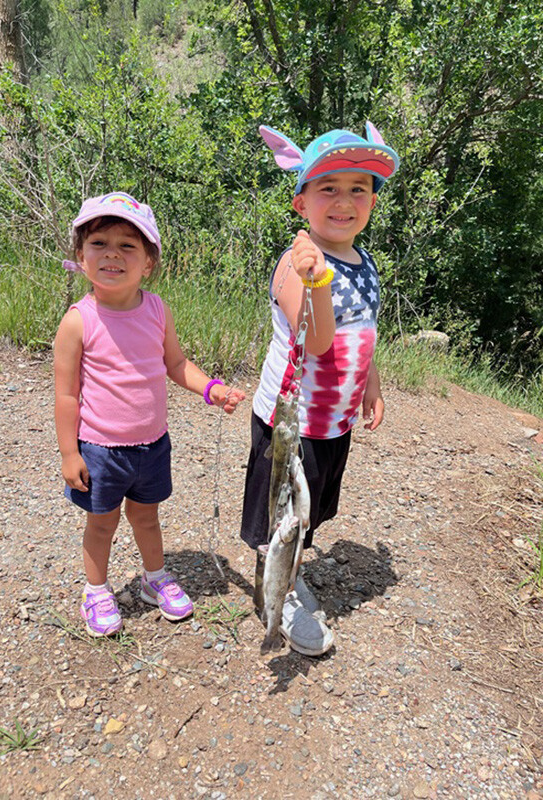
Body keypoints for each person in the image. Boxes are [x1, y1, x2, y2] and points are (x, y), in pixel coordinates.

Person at [54, 192, 245, 637]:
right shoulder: (78, 320)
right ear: (81, 256)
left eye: (128, 246)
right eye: (99, 243)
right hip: (101, 449)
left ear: (148, 263)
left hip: (152, 444)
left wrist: (211, 388)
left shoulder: (157, 309)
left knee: (147, 517)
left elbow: (175, 364)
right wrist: (69, 453)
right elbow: (66, 394)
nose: (113, 255)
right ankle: (97, 590)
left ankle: (153, 578)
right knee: (102, 524)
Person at [241, 123, 399, 656]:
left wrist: (371, 386)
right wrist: (316, 282)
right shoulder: (298, 265)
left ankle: (292, 566)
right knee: (282, 511)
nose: (344, 201)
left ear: (373, 201)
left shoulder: (366, 263)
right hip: (292, 425)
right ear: (300, 202)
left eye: (359, 188)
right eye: (328, 188)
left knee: (310, 512)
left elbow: (364, 334)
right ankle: (276, 588)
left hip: (333, 422)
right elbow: (318, 339)